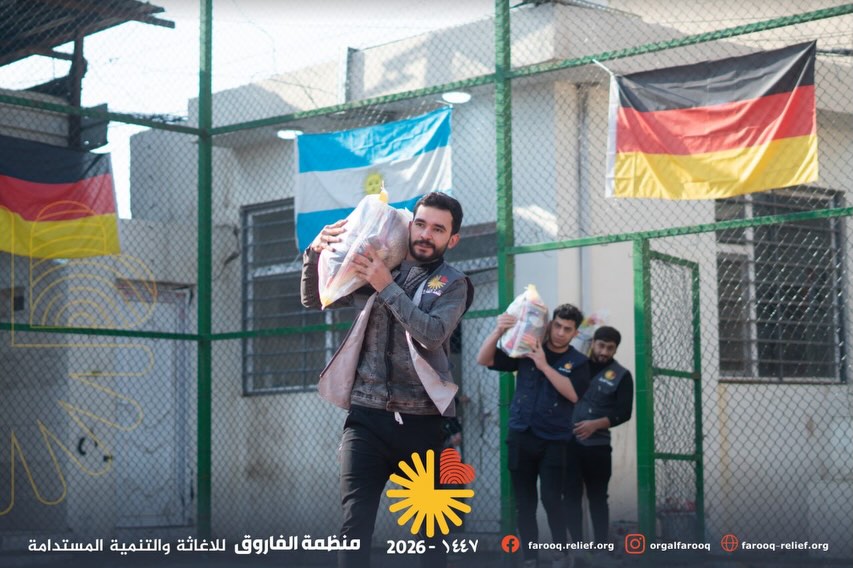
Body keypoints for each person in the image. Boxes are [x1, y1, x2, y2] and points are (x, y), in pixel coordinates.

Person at [301, 191, 473, 568]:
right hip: (367, 418)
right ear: (410, 225)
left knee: (431, 534)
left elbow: (432, 333)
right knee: (354, 526)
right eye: (420, 224)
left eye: (438, 229)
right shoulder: (379, 261)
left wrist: (386, 286)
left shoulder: (453, 283)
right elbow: (316, 299)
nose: (425, 234)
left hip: (423, 423)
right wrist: (315, 253)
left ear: (452, 239)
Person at [476, 303, 590, 568]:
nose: (560, 332)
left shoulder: (579, 362)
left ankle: (560, 554)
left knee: (551, 500)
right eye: (557, 326)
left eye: (567, 329)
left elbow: (574, 394)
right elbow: (484, 359)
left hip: (554, 440)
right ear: (550, 325)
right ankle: (530, 558)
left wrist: (544, 366)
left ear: (575, 333)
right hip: (521, 435)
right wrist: (497, 331)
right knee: (524, 504)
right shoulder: (526, 348)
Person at [565, 326, 634, 546]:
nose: (604, 352)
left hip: (598, 447)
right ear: (593, 343)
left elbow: (624, 412)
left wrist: (595, 425)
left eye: (610, 348)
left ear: (616, 349)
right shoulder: (576, 366)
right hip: (568, 444)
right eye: (601, 346)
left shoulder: (622, 375)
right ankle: (577, 548)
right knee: (571, 496)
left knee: (598, 498)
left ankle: (601, 547)